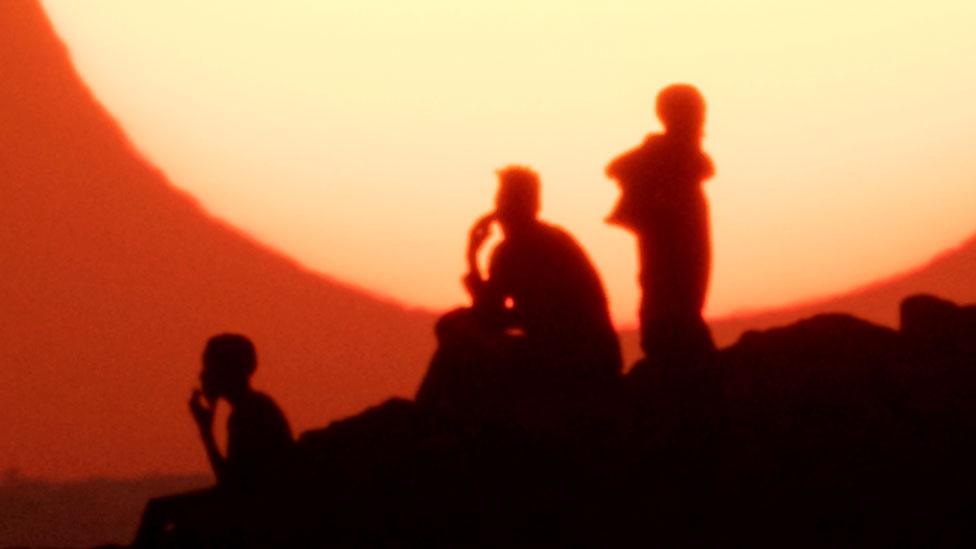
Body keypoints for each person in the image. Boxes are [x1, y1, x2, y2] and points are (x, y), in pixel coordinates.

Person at [417, 166, 622, 424]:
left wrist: (472, 255)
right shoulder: (552, 239)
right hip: (589, 356)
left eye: (504, 199)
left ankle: (424, 417)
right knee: (455, 326)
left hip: (570, 361)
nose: (498, 209)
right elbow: (502, 314)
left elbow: (488, 314)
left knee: (456, 337)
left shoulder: (518, 249)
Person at [133, 334, 294, 548]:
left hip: (257, 509)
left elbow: (232, 487)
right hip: (256, 503)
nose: (203, 375)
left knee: (158, 510)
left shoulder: (249, 413)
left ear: (228, 370)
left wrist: (206, 433)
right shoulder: (253, 407)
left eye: (209, 367)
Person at [606, 84, 716, 366]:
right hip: (668, 310)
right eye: (695, 115)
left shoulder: (680, 165)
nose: (701, 125)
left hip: (673, 307)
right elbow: (617, 167)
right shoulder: (670, 166)